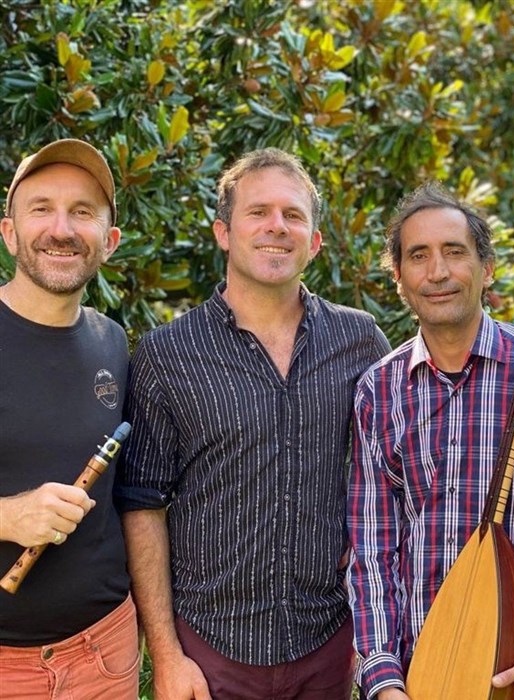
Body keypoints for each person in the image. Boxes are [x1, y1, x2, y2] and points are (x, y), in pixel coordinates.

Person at [116, 147, 391, 700]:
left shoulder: (360, 341)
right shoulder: (167, 354)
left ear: (315, 241)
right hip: (211, 649)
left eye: (293, 215)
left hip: (329, 643)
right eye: (258, 211)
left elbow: (392, 470)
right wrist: (165, 655)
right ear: (223, 232)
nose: (277, 226)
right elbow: (142, 504)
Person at [346, 182, 514, 700]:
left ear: (486, 267)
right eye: (418, 256)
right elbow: (373, 547)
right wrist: (382, 678)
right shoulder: (379, 389)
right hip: (419, 672)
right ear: (398, 277)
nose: (437, 272)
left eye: (455, 252)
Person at [0, 139, 138, 697]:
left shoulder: (113, 343)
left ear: (110, 241)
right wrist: (8, 517)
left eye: (82, 212)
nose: (61, 229)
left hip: (106, 651)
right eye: (42, 208)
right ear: (9, 232)